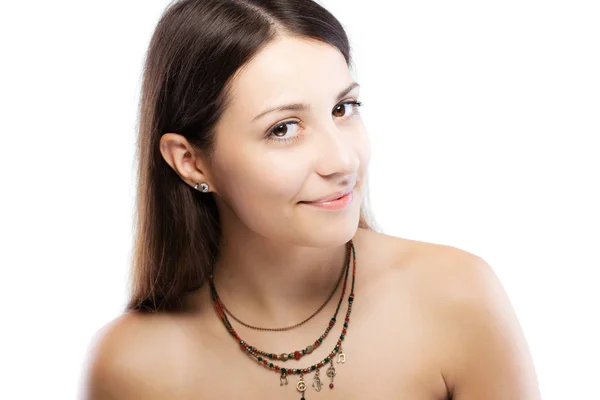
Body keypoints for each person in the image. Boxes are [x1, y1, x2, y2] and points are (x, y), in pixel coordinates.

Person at [81, 0, 541, 398]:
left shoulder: (455, 295)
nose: (342, 161)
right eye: (283, 128)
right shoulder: (131, 367)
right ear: (191, 162)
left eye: (343, 109)